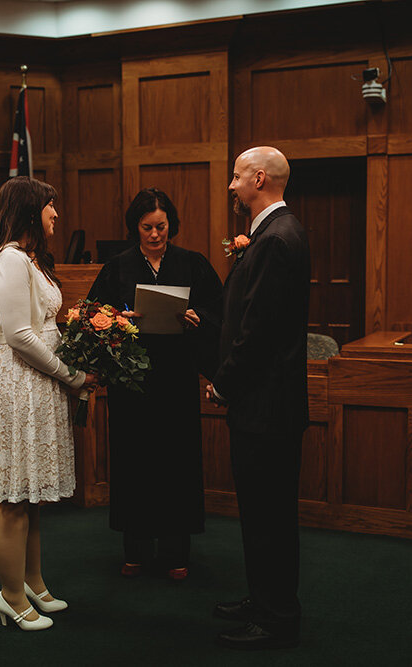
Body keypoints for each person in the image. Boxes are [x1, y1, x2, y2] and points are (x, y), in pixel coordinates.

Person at [0, 176, 98, 631]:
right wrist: (73, 375)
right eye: (49, 206)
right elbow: (20, 336)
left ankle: (34, 583)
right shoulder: (7, 258)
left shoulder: (31, 260)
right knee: (12, 499)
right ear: (28, 210)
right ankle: (10, 596)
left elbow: (45, 328)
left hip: (36, 383)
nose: (56, 215)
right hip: (14, 381)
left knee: (32, 495)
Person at [87, 187, 222, 580]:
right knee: (135, 462)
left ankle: (176, 552)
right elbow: (96, 314)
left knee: (176, 462)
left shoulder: (192, 263)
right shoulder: (118, 267)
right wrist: (120, 319)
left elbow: (219, 309)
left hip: (177, 378)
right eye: (147, 227)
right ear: (136, 227)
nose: (155, 235)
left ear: (171, 226)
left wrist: (198, 317)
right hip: (133, 384)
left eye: (161, 227)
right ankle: (136, 550)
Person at [206, 147, 310, 650]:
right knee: (261, 511)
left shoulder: (275, 239)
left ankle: (275, 617)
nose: (231, 185)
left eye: (236, 176)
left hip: (266, 405)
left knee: (269, 514)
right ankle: (262, 596)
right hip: (266, 404)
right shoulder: (274, 233)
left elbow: (258, 331)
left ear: (259, 179)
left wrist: (224, 381)